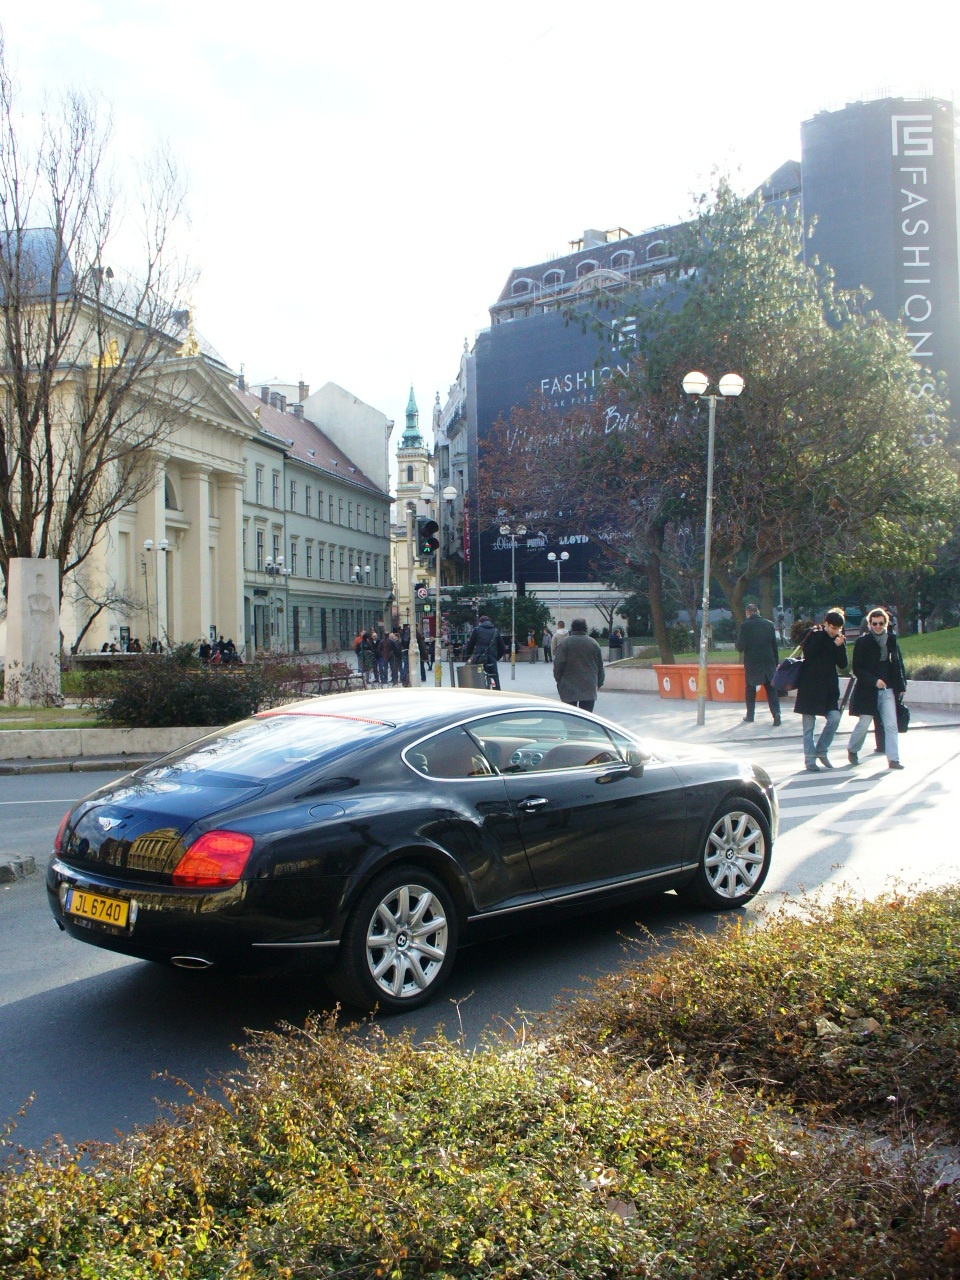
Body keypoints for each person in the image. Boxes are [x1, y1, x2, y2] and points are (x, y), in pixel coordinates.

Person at [846, 608, 906, 769]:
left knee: (891, 724)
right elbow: (857, 668)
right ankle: (853, 749)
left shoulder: (891, 640)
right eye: (874, 624)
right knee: (864, 723)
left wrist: (901, 686)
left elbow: (898, 664)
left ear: (886, 623)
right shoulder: (862, 642)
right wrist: (874, 681)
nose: (878, 626)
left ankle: (893, 759)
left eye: (881, 623)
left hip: (888, 689)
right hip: (868, 690)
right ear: (869, 624)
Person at [793, 608, 848, 771]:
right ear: (826, 624)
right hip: (810, 687)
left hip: (829, 689)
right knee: (808, 728)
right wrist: (833, 645)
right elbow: (811, 654)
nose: (835, 631)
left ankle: (822, 750)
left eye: (838, 629)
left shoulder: (838, 640)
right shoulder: (814, 634)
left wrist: (840, 646)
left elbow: (843, 664)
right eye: (832, 628)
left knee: (835, 719)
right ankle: (810, 760)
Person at [736, 603, 782, 726]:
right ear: (758, 611)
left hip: (753, 663)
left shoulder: (745, 626)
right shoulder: (769, 624)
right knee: (771, 689)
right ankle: (776, 714)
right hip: (768, 662)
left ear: (748, 613)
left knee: (750, 689)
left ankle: (750, 715)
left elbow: (740, 646)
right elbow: (774, 646)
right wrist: (775, 663)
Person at [553, 617, 605, 711]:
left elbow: (558, 664)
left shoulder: (566, 643)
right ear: (585, 628)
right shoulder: (593, 643)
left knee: (570, 718)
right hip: (589, 686)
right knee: (586, 718)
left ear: (572, 629)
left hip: (568, 686)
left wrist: (558, 680)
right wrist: (599, 682)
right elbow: (600, 666)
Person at [463, 613, 506, 689]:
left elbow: (470, 645)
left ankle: (478, 689)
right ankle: (497, 690)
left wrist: (467, 657)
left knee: (477, 674)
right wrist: (496, 657)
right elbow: (502, 648)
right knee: (494, 675)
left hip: (479, 657)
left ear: (480, 622)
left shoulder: (477, 630)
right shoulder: (496, 631)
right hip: (491, 658)